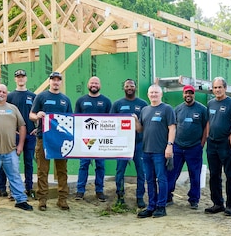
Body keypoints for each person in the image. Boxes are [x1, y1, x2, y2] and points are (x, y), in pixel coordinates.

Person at [0, 84, 33, 212]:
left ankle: (20, 200)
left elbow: (22, 126)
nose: (1, 94)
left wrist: (20, 145)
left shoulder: (12, 108)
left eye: (4, 92)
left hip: (11, 150)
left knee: (15, 176)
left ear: (7, 94)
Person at [30, 71, 73, 211]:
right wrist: (38, 116)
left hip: (61, 141)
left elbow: (70, 119)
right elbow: (31, 114)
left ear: (61, 82)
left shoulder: (65, 100)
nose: (56, 82)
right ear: (49, 81)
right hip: (43, 138)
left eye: (58, 80)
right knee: (42, 170)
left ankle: (62, 200)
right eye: (53, 80)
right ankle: (42, 200)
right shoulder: (41, 96)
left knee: (62, 170)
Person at [135, 85, 175, 218]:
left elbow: (172, 128)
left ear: (161, 94)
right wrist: (135, 120)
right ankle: (151, 206)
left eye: (156, 92)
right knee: (150, 179)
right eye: (151, 92)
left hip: (160, 151)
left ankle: (161, 206)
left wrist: (169, 145)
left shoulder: (167, 109)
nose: (154, 95)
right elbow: (140, 129)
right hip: (146, 151)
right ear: (148, 94)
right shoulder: (145, 110)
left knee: (161, 179)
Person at [167, 84, 207, 210]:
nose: (188, 95)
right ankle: (168, 196)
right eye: (186, 93)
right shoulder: (178, 109)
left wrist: (201, 144)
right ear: (183, 94)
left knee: (195, 174)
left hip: (194, 147)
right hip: (178, 147)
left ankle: (194, 200)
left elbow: (206, 127)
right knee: (172, 173)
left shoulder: (201, 109)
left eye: (190, 93)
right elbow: (172, 127)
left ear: (194, 94)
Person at [110, 79, 148, 208]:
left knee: (141, 172)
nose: (129, 88)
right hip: (122, 144)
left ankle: (140, 197)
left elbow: (146, 124)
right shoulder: (117, 104)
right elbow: (111, 123)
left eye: (132, 86)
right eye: (127, 86)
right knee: (120, 171)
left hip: (138, 144)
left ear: (135, 87)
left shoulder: (143, 104)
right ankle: (120, 197)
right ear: (124, 88)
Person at [205, 77, 231, 216]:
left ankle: (230, 205)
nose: (217, 90)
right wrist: (208, 136)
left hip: (226, 144)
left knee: (229, 174)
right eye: (215, 87)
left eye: (220, 87)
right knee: (214, 175)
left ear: (225, 88)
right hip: (212, 144)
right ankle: (217, 203)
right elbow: (208, 121)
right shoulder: (210, 103)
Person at [74, 76, 112, 202]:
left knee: (100, 165)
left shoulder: (106, 101)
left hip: (101, 139)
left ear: (100, 85)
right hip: (85, 139)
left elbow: (111, 121)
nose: (94, 85)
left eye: (96, 83)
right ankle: (80, 191)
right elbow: (76, 120)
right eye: (92, 83)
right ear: (88, 85)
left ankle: (99, 191)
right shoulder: (81, 101)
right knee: (83, 165)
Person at [7, 69, 37, 199]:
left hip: (30, 134)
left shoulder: (33, 96)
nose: (20, 79)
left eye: (22, 76)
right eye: (18, 77)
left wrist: (38, 128)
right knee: (13, 164)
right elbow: (5, 114)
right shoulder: (10, 96)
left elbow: (38, 114)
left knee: (29, 162)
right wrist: (10, 129)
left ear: (26, 79)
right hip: (14, 135)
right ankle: (14, 190)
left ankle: (29, 188)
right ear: (15, 79)